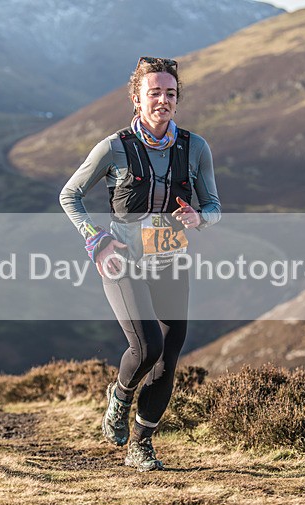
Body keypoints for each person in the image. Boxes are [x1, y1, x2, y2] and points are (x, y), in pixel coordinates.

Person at [59, 57, 221, 471]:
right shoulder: (113, 147)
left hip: (171, 263)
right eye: (155, 92)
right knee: (146, 346)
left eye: (170, 93)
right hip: (124, 261)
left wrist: (199, 218)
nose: (163, 100)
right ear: (137, 98)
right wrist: (96, 240)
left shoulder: (195, 147)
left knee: (168, 356)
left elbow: (215, 206)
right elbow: (69, 196)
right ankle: (120, 397)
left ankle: (141, 445)